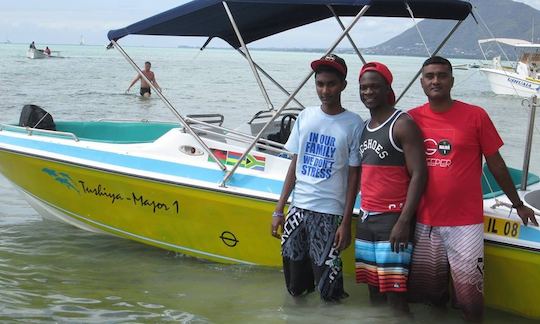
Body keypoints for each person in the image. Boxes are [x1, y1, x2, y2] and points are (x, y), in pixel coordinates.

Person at [407, 56, 537, 322]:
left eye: (442, 75)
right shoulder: (411, 119)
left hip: (465, 224)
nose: (436, 81)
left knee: (471, 300)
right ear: (421, 82)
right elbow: (398, 169)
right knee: (430, 297)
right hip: (424, 221)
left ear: (452, 81)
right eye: (430, 76)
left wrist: (518, 204)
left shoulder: (475, 115)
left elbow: (497, 165)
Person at [270, 54, 363, 301]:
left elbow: (354, 176)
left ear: (343, 84)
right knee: (294, 285)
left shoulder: (354, 124)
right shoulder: (306, 116)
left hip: (329, 213)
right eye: (320, 84)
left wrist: (345, 222)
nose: (325, 90)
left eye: (331, 84)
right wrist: (279, 210)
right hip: (298, 209)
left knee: (329, 287)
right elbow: (294, 165)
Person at [355, 62, 427, 315]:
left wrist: (404, 221)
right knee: (374, 291)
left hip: (392, 220)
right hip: (366, 218)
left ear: (388, 89)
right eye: (363, 88)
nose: (368, 92)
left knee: (396, 296)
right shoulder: (365, 127)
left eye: (374, 87)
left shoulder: (402, 123)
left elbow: (419, 174)